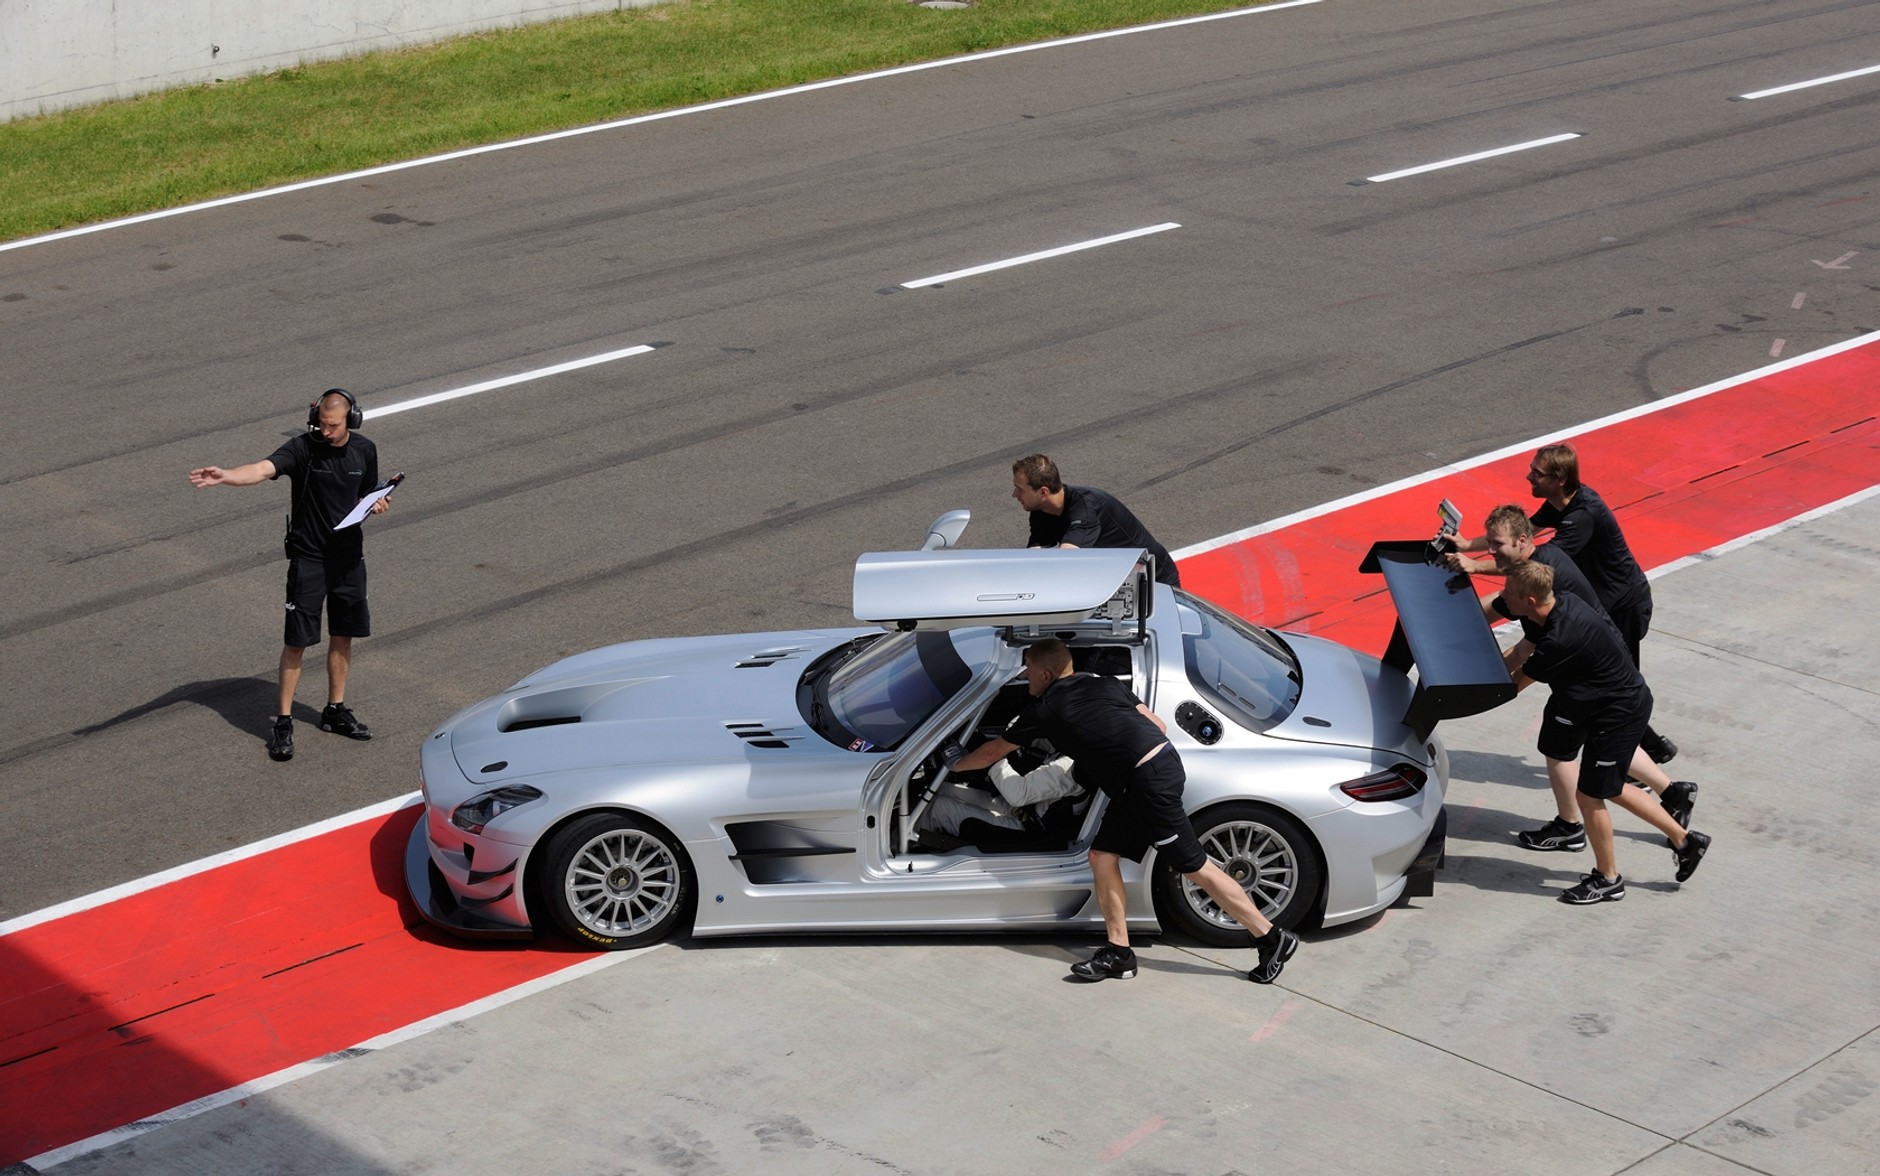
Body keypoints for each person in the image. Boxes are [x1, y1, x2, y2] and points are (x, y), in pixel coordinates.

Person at [947, 639, 1297, 982]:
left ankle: (1270, 937)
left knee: (1194, 866)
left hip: (1147, 784)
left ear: (1047, 674)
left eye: (1030, 672)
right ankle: (1120, 954)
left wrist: (954, 765)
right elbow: (1157, 726)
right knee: (1101, 856)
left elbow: (994, 752)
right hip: (1147, 775)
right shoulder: (1103, 682)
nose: (1027, 679)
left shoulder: (1048, 707)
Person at [1446, 505, 1698, 847]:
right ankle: (1672, 791)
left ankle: (1574, 828)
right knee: (1571, 743)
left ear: (1522, 541)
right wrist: (1458, 622)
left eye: (1497, 544)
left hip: (1586, 670)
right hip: (1591, 667)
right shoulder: (1530, 570)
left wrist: (1480, 689)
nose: (1490, 550)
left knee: (1567, 752)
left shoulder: (1544, 580)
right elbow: (1503, 609)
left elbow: (1531, 659)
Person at [188, 388, 388, 762]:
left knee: (343, 636)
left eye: (332, 426)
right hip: (309, 561)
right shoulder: (302, 449)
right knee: (297, 641)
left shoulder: (365, 450)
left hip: (348, 561)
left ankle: (335, 709)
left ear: (351, 421)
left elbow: (367, 493)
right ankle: (283, 721)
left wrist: (379, 500)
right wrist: (227, 475)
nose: (325, 432)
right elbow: (262, 470)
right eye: (321, 424)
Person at [1497, 562, 1711, 904]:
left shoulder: (1559, 641)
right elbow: (1521, 651)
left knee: (1592, 793)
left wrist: (1465, 698)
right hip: (1598, 703)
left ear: (1532, 600)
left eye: (1508, 594)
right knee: (1605, 787)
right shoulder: (1560, 603)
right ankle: (1685, 838)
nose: (1502, 597)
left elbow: (1515, 682)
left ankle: (1609, 879)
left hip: (1617, 714)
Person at [1452, 443, 1679, 765]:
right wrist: (1467, 544)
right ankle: (1651, 748)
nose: (1529, 476)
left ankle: (1635, 755)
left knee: (1618, 684)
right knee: (1614, 686)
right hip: (1596, 600)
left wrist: (1474, 566)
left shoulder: (1582, 516)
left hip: (1623, 605)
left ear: (1559, 478)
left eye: (1537, 473)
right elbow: (1523, 533)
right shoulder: (1559, 502)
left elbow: (1532, 566)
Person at [1011, 453, 1181, 587]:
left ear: (1043, 492)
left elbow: (1064, 562)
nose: (1015, 495)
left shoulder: (1085, 510)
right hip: (1115, 579)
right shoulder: (1041, 510)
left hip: (1154, 579)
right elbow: (1034, 557)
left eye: (1020, 490)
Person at [920, 750, 1086, 840]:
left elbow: (1018, 794)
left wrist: (990, 756)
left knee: (938, 809)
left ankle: (900, 843)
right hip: (1025, 809)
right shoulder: (1065, 744)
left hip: (1034, 832)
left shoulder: (1071, 766)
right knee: (943, 789)